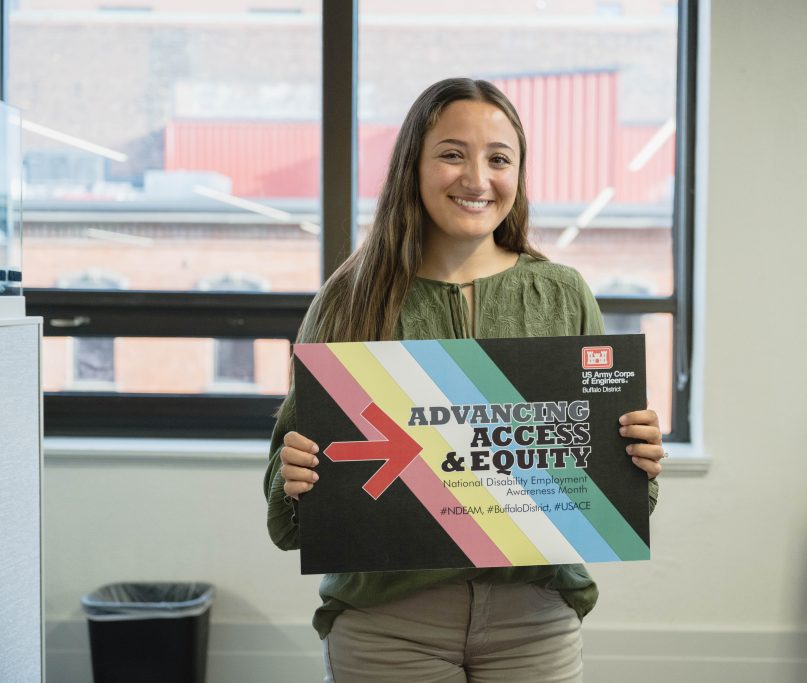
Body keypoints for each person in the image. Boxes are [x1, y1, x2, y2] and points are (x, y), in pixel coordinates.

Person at [263, 77, 666, 683]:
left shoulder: (561, 295)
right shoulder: (348, 298)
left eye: (498, 159)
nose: (477, 179)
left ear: (518, 174)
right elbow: (287, 520)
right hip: (387, 623)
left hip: (534, 620)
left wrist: (634, 458)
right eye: (452, 153)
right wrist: (293, 479)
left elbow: (605, 492)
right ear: (412, 167)